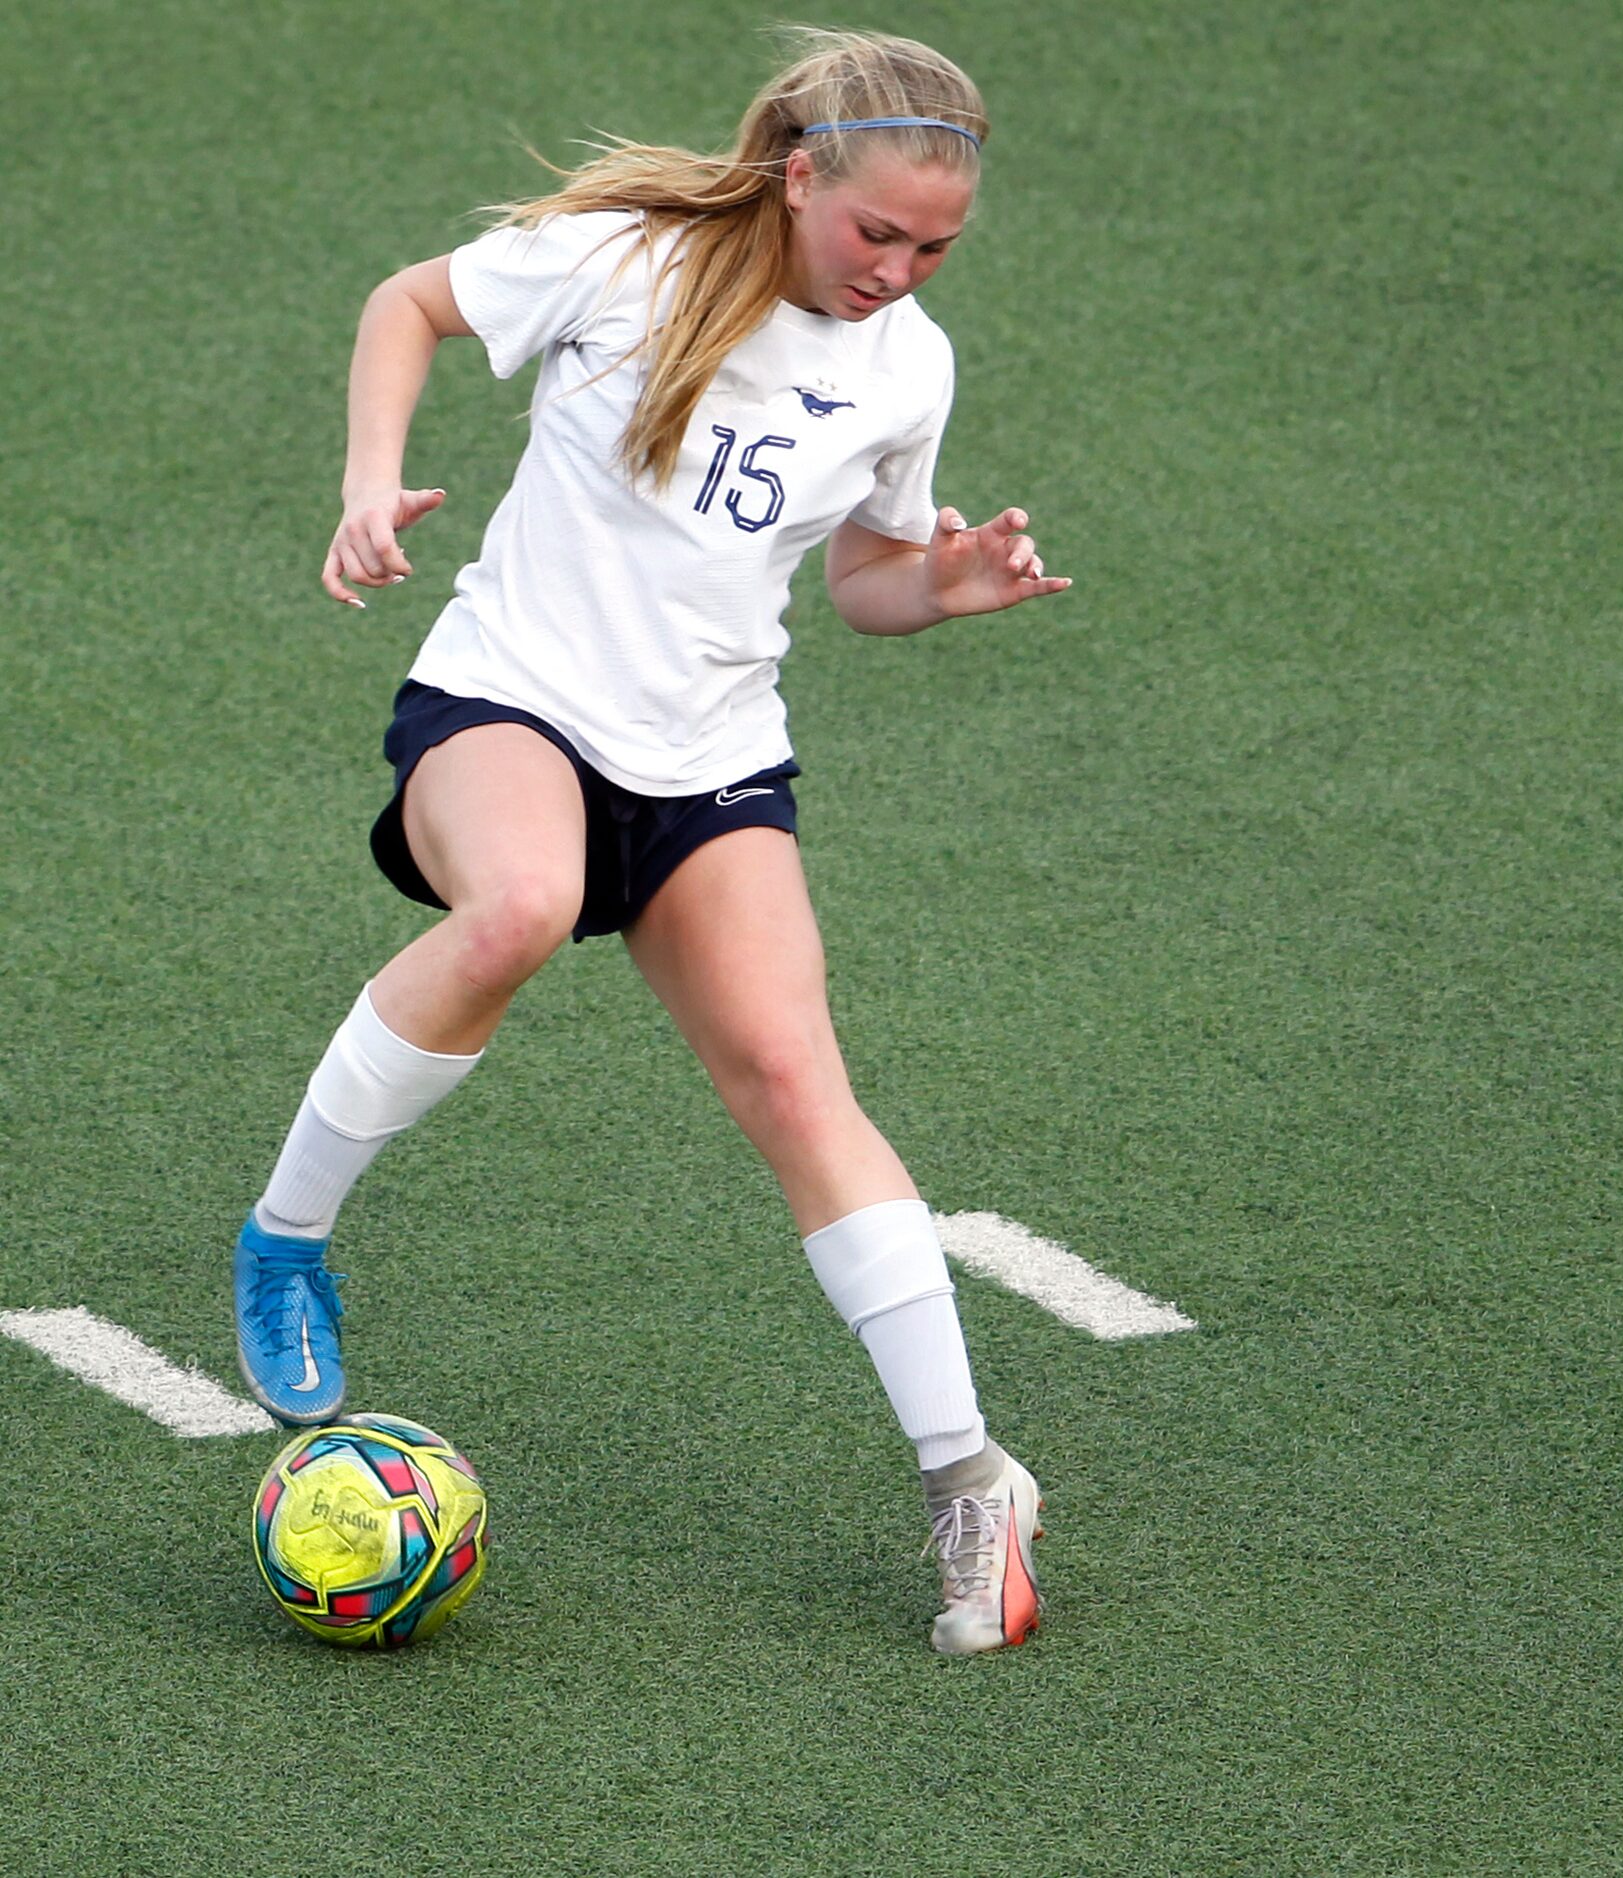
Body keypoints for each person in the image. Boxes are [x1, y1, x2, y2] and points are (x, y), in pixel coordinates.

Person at [231, 28, 1069, 1654]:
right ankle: (286, 1240)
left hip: (710, 762)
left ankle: (972, 1481)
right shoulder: (628, 259)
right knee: (522, 902)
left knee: (791, 1076)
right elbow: (408, 301)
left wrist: (944, 589)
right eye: (874, 233)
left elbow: (862, 581)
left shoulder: (910, 368)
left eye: (933, 248)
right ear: (796, 173)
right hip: (507, 699)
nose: (897, 271)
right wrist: (369, 480)